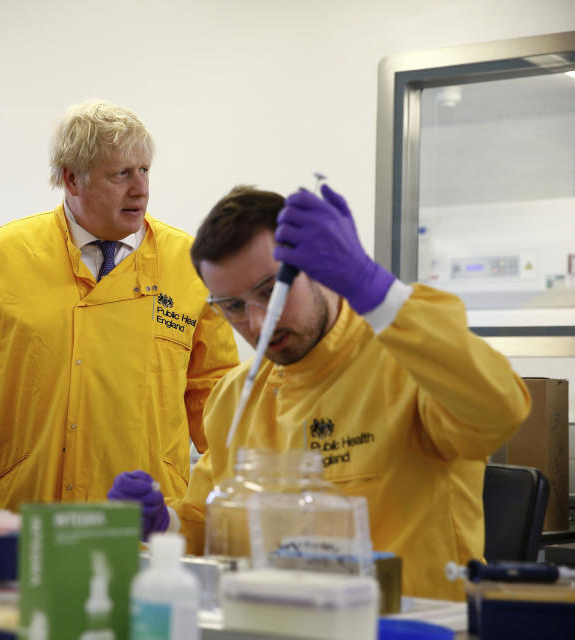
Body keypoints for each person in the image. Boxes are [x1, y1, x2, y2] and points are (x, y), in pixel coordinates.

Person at [109, 184, 531, 600]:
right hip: (282, 623)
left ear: (319, 268)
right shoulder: (236, 397)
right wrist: (164, 523)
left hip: (410, 628)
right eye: (232, 307)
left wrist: (374, 286)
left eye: (270, 291)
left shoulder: (405, 363)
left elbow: (499, 411)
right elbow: (213, 527)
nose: (258, 323)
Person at [0, 101, 239, 510]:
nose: (140, 188)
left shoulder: (190, 263)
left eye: (144, 170)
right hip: (22, 509)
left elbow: (216, 395)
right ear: (72, 179)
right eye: (121, 174)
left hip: (146, 516)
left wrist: (233, 495)